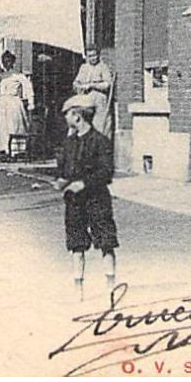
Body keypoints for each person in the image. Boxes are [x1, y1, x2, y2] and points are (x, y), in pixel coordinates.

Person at [56, 102, 118, 298]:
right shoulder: (69, 143)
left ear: (77, 116)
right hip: (74, 201)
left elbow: (106, 173)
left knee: (105, 241)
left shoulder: (101, 141)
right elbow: (64, 171)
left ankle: (110, 287)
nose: (65, 118)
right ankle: (78, 289)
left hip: (97, 199)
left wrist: (84, 183)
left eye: (67, 114)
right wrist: (61, 182)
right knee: (76, 244)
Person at [0, 51, 35, 157]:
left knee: (13, 125)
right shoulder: (1, 75)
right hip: (2, 103)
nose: (7, 64)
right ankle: (3, 149)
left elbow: (28, 88)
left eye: (9, 61)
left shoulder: (18, 75)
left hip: (13, 102)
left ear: (13, 62)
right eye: (4, 62)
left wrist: (31, 102)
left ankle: (15, 150)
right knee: (1, 126)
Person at [71, 48, 115, 138]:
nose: (93, 58)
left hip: (98, 97)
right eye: (90, 56)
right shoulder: (84, 67)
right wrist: (77, 85)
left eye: (94, 55)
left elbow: (107, 84)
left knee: (100, 124)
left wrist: (92, 85)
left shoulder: (103, 67)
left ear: (98, 55)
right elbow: (76, 81)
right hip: (85, 97)